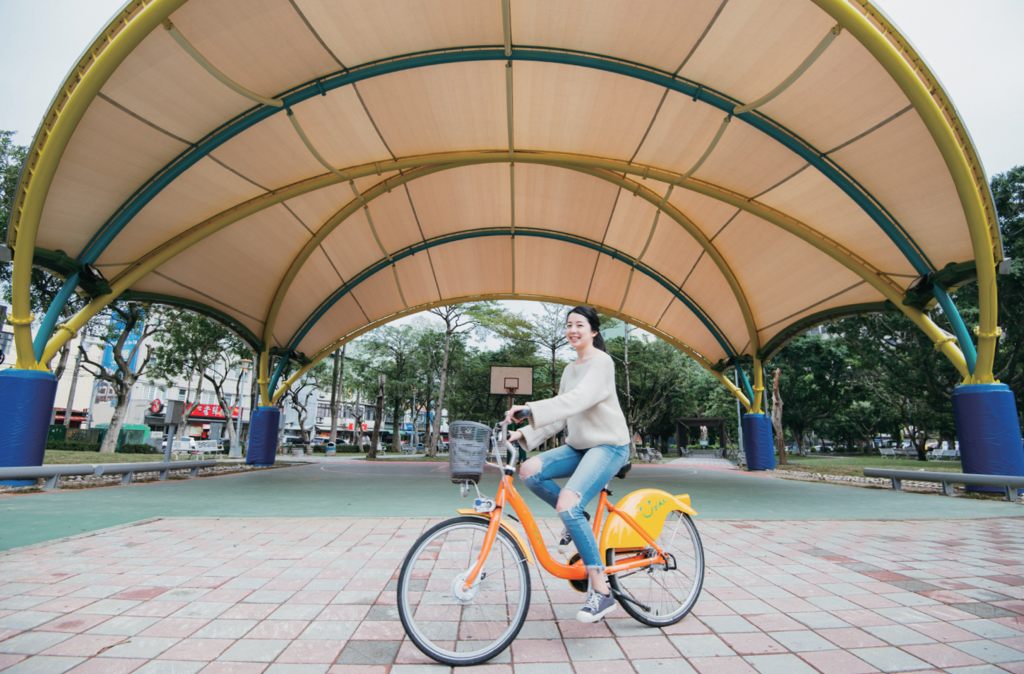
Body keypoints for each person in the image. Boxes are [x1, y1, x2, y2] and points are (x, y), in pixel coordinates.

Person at [504, 306, 630, 623]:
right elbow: (561, 416)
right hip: (579, 446)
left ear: (593, 332)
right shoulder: (569, 369)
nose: (573, 330)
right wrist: (522, 432)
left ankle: (601, 592)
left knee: (566, 503)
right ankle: (579, 516)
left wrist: (529, 409)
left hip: (609, 446)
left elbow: (577, 401)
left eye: (580, 325)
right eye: (569, 325)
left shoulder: (601, 363)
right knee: (529, 471)